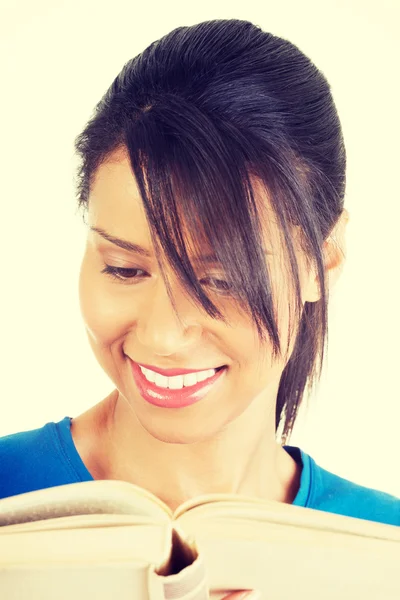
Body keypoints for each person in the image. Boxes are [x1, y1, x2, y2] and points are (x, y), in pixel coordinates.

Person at [0, 17, 398, 600]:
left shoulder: (379, 549)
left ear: (325, 261)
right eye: (125, 268)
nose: (163, 336)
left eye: (221, 279)